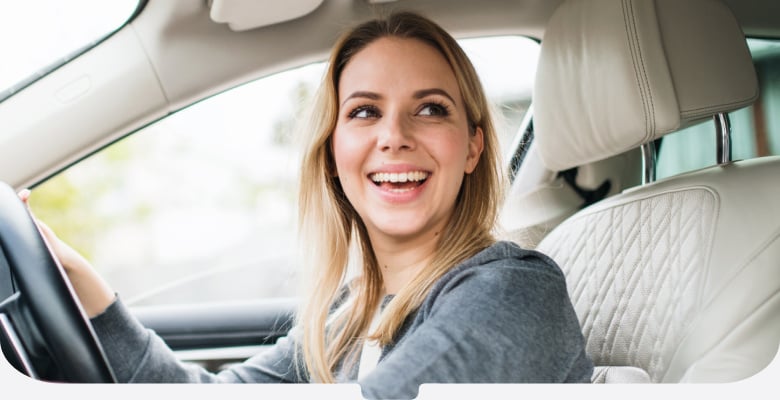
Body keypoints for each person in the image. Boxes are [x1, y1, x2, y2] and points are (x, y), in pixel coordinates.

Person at [20, 10, 593, 399]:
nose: (393, 135)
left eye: (431, 108)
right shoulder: (349, 318)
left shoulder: (515, 290)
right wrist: (75, 277)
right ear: (332, 153)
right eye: (365, 111)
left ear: (473, 146)